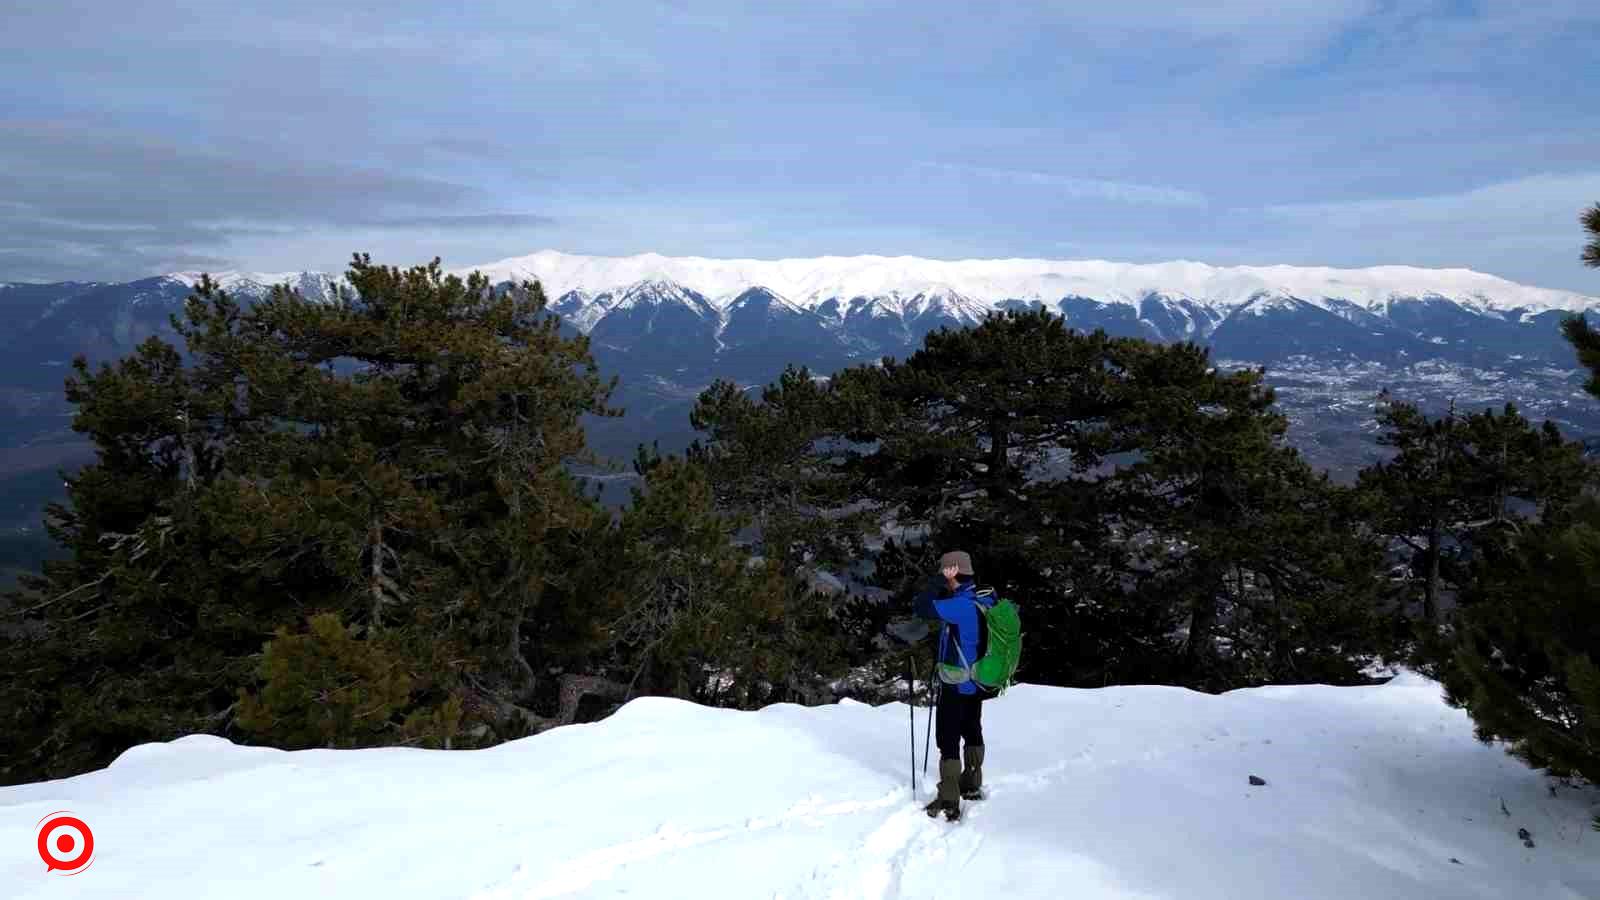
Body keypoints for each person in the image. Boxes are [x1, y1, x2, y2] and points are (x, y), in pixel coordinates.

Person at [913, 549, 995, 821]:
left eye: (945, 572)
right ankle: (971, 783)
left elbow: (922, 606)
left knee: (947, 738)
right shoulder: (985, 599)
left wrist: (938, 583)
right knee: (972, 728)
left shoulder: (960, 606)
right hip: (977, 681)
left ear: (953, 572)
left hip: (955, 683)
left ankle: (949, 798)